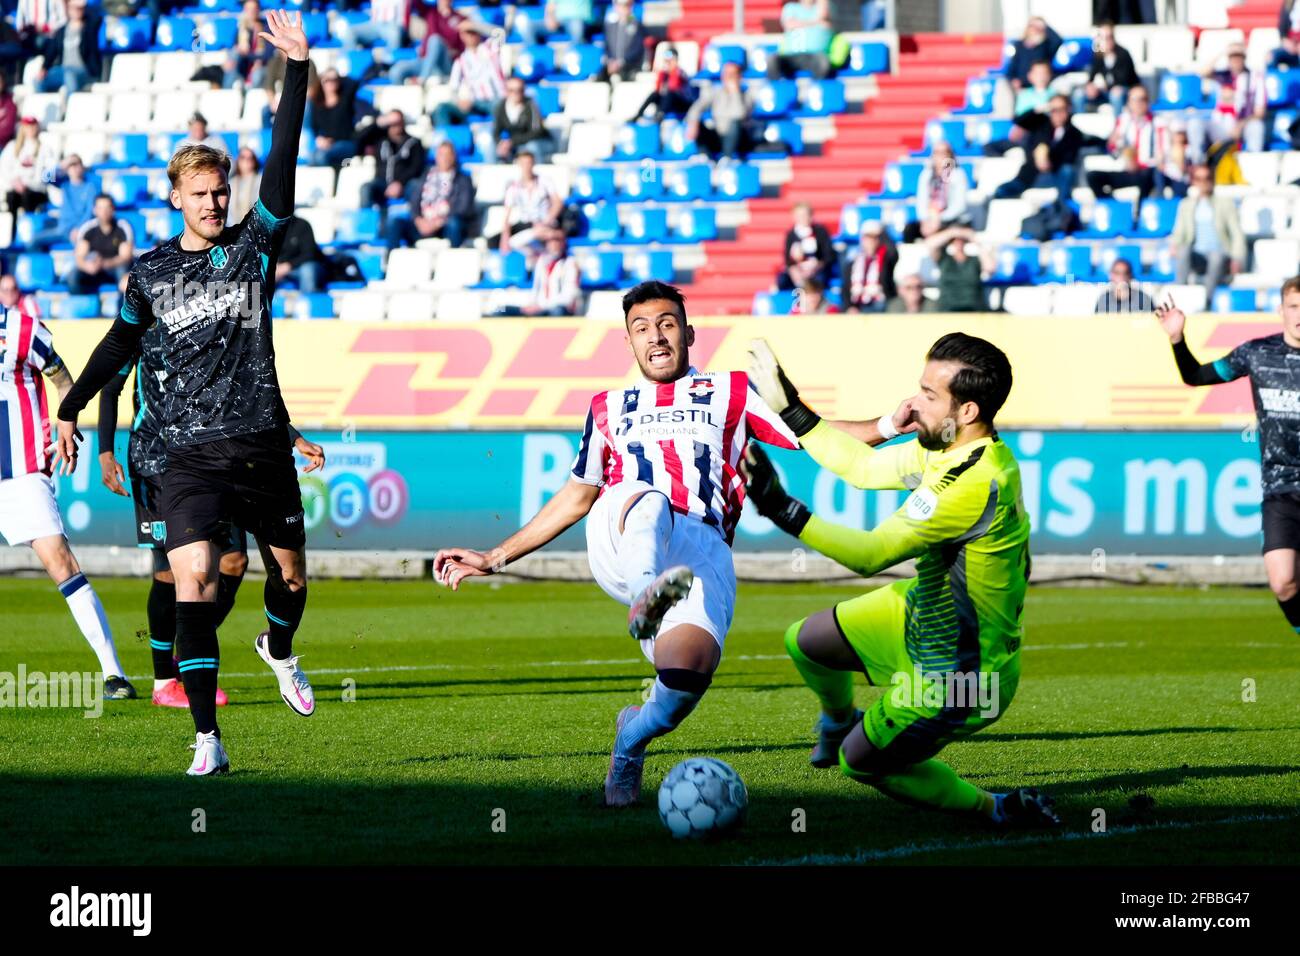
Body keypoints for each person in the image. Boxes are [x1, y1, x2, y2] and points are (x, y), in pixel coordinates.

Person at [53, 9, 316, 778]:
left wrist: (295, 73)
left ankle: (279, 649)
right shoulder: (150, 275)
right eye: (199, 193)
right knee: (194, 580)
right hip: (186, 458)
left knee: (291, 578)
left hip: (261, 445)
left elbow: (283, 163)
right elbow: (117, 348)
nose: (213, 202)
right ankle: (208, 739)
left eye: (220, 190)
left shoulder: (253, 247)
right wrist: (71, 408)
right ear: (175, 198)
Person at [433, 281, 801, 807]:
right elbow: (578, 495)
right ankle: (645, 598)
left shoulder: (732, 392)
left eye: (668, 324)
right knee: (647, 497)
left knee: (684, 683)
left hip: (701, 549)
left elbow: (815, 434)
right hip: (625, 531)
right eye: (642, 328)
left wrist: (890, 425)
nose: (656, 337)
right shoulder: (609, 406)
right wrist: (494, 556)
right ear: (629, 342)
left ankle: (630, 738)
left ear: (689, 333)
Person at [738, 335, 1057, 828]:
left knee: (859, 761)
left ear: (966, 409)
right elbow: (863, 468)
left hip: (965, 672)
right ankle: (839, 719)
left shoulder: (974, 482)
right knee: (806, 642)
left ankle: (997, 809)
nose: (913, 403)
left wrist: (784, 510)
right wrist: (792, 408)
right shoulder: (947, 446)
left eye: (930, 395)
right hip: (922, 613)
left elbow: (870, 555)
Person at [96, 325, 325, 709]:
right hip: (156, 460)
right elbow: (109, 386)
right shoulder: (144, 319)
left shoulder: (212, 322)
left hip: (214, 458)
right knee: (172, 572)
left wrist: (293, 437)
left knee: (234, 562)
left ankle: (190, 653)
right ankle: (165, 680)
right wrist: (105, 451)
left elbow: (239, 398)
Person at [0, 307, 136, 701]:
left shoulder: (22, 328)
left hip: (23, 468)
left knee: (61, 561)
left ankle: (113, 673)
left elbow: (62, 380)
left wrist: (66, 425)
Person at [1156, 279, 1300, 635]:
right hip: (1281, 489)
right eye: (1294, 307)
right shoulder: (1256, 353)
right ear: (1281, 311)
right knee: (1284, 582)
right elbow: (1196, 376)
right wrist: (1177, 339)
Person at [1171, 163, 1244, 299]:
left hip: (1219, 255)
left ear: (1213, 179)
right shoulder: (1186, 205)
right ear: (1194, 181)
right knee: (1184, 250)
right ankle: (1179, 294)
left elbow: (1236, 233)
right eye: (1199, 178)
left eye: (1207, 178)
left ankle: (1208, 301)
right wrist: (1174, 245)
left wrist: (1237, 257)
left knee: (1216, 257)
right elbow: (1179, 232)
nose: (1203, 182)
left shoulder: (1226, 203)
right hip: (1197, 255)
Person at [387, 140, 476, 249]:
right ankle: (390, 259)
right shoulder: (426, 175)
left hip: (444, 225)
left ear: (454, 157)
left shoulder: (463, 180)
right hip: (423, 223)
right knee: (395, 223)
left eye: (448, 155)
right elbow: (414, 200)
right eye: (441, 154)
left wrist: (438, 222)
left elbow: (464, 208)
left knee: (454, 224)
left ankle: (453, 260)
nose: (444, 158)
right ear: (436, 157)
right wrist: (418, 220)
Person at [994, 94, 1084, 199]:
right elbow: (1019, 121)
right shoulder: (1040, 124)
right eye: (1054, 109)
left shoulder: (1074, 133)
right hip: (1030, 175)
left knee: (1067, 170)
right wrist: (1040, 108)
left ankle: (1061, 207)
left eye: (1062, 109)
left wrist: (1047, 161)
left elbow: (1069, 158)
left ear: (1069, 109)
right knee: (1002, 191)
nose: (1058, 113)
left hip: (1054, 175)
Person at [1085, 85, 1164, 198]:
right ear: (1129, 103)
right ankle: (1112, 207)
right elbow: (1113, 151)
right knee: (1093, 176)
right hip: (1127, 170)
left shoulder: (1158, 123)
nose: (1139, 104)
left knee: (1150, 175)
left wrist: (1143, 163)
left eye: (1143, 99)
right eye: (1135, 100)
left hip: (1147, 171)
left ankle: (1140, 210)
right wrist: (1114, 145)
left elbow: (1161, 153)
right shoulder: (1123, 121)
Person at [359, 110, 427, 226]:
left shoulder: (414, 143)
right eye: (392, 122)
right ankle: (367, 229)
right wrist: (379, 122)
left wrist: (400, 183)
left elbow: (417, 168)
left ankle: (413, 225)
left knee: (416, 186)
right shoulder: (380, 141)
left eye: (398, 122)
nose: (395, 126)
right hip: (382, 183)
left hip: (405, 184)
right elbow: (359, 139)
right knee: (366, 188)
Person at [432, 22, 505, 127]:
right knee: (441, 109)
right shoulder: (461, 61)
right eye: (467, 33)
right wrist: (459, 101)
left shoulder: (491, 48)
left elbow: (500, 33)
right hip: (475, 103)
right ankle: (446, 140)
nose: (470, 36)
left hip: (497, 98)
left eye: (473, 33)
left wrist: (476, 25)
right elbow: (453, 88)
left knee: (499, 107)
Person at [1200, 43, 1267, 154]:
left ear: (1244, 58)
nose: (1236, 60)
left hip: (1243, 125)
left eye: (1239, 56)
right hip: (1220, 125)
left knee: (1256, 126)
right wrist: (1222, 53)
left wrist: (1240, 125)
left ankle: (1252, 162)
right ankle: (1199, 165)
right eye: (1232, 56)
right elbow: (1202, 72)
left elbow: (1260, 112)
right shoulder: (1222, 75)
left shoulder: (1255, 78)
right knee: (1195, 124)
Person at [684, 61, 757, 160]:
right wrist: (693, 122)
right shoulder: (716, 93)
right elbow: (697, 107)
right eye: (727, 74)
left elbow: (739, 114)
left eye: (733, 74)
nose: (729, 77)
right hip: (719, 135)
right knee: (700, 125)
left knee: (735, 123)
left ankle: (727, 158)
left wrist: (735, 92)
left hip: (738, 139)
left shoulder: (747, 95)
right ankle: (705, 157)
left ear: (739, 77)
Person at [495, 233, 581, 315]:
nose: (554, 244)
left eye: (557, 240)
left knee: (557, 311)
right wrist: (536, 232)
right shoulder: (541, 260)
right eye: (550, 240)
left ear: (563, 244)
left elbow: (568, 298)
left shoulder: (570, 264)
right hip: (536, 308)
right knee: (501, 309)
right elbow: (513, 243)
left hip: (552, 309)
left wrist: (541, 306)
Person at [496, 149, 563, 255]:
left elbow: (557, 203)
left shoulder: (544, 181)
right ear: (518, 164)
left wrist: (546, 221)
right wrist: (505, 237)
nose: (527, 167)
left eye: (529, 163)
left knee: (553, 247)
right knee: (507, 242)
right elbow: (507, 214)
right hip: (527, 225)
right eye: (524, 163)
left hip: (545, 222)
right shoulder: (513, 187)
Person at [902, 140, 970, 243]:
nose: (940, 156)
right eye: (937, 152)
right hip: (930, 219)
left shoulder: (958, 174)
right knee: (909, 230)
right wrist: (926, 220)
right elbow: (921, 201)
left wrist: (939, 219)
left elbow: (960, 206)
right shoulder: (926, 174)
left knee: (954, 232)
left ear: (950, 154)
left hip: (950, 220)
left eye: (944, 152)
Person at [70, 194, 134, 295]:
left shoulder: (123, 227)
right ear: (95, 210)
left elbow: (125, 256)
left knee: (124, 274)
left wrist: (104, 263)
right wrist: (87, 266)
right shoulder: (88, 228)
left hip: (114, 266)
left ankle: (123, 308)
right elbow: (79, 256)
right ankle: (81, 306)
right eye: (100, 208)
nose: (104, 212)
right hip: (93, 267)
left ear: (113, 209)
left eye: (107, 207)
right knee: (73, 275)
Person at [29, 153, 96, 249]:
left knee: (82, 248)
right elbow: (44, 178)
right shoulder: (64, 184)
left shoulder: (90, 187)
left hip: (80, 232)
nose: (75, 168)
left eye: (77, 164)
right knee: (33, 240)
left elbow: (90, 212)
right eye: (71, 165)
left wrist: (79, 229)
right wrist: (61, 165)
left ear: (82, 167)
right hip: (62, 230)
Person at [391, 0, 466, 84]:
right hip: (425, 61)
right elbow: (416, 3)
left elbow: (464, 47)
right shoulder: (431, 12)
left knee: (435, 40)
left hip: (444, 64)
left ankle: (422, 80)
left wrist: (453, 52)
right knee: (396, 71)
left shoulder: (460, 18)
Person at [36, 0, 99, 95]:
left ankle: (70, 108)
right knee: (39, 81)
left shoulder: (89, 28)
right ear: (68, 9)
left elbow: (96, 19)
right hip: (63, 70)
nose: (77, 11)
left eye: (80, 9)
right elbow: (52, 51)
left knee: (69, 76)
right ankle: (44, 108)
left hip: (83, 70)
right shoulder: (62, 31)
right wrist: (44, 68)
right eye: (74, 8)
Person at [1076, 20, 1138, 114]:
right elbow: (1091, 77)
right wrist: (1091, 87)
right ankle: (1077, 125)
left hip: (1124, 91)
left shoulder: (1123, 54)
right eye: (1103, 37)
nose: (1107, 40)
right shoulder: (1098, 55)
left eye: (1110, 37)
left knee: (1116, 94)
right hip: (1105, 92)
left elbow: (1124, 80)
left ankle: (1118, 125)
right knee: (1079, 94)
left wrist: (1106, 85)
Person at [0, 115, 57, 215]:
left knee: (27, 197)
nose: (30, 130)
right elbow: (3, 168)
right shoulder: (12, 147)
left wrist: (32, 183)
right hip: (15, 188)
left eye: (33, 126)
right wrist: (14, 181)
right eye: (27, 127)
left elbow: (50, 174)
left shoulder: (45, 149)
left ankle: (27, 224)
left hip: (36, 189)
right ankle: (11, 228)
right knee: (12, 197)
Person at [927, 224, 988, 313]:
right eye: (955, 240)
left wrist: (972, 237)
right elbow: (930, 244)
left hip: (972, 308)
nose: (958, 242)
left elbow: (990, 267)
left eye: (962, 240)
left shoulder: (974, 261)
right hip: (948, 308)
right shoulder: (944, 259)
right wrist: (953, 232)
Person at [491, 77, 554, 163]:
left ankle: (533, 174)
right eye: (511, 90)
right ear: (506, 91)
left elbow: (536, 131)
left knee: (531, 147)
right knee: (491, 145)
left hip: (539, 142)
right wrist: (501, 143)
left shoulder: (531, 105)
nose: (516, 93)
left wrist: (512, 142)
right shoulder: (500, 107)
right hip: (515, 144)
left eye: (520, 90)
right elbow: (496, 131)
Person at [307, 68, 360, 168]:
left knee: (322, 156)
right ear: (321, 82)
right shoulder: (317, 103)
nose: (331, 83)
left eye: (334, 80)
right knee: (312, 157)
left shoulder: (345, 99)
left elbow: (354, 83)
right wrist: (320, 139)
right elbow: (314, 127)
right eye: (327, 80)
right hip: (327, 144)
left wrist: (336, 75)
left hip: (346, 142)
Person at [768, 0, 834, 80]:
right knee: (773, 60)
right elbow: (790, 24)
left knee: (823, 62)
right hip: (791, 55)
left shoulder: (821, 8)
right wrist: (816, 23)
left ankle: (817, 90)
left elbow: (824, 16)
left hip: (815, 56)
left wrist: (802, 24)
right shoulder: (791, 7)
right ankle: (777, 90)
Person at [779, 201, 834, 292]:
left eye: (805, 215)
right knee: (783, 280)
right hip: (798, 271)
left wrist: (817, 266)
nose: (803, 218)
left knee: (818, 281)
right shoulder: (791, 235)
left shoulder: (820, 231)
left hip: (817, 270)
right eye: (799, 215)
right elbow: (787, 259)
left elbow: (828, 255)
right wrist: (794, 270)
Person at [632, 45, 696, 121]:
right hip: (669, 102)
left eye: (670, 61)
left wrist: (670, 72)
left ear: (675, 61)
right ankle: (639, 114)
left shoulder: (679, 73)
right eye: (666, 61)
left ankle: (660, 115)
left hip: (683, 103)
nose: (667, 63)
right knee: (654, 94)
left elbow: (673, 87)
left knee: (670, 93)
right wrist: (662, 75)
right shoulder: (664, 74)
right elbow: (659, 90)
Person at [845, 220, 896, 312]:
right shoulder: (854, 261)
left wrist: (881, 232)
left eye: (875, 238)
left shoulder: (885, 259)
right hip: (858, 304)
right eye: (868, 237)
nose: (871, 241)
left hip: (879, 303)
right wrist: (850, 306)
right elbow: (846, 286)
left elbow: (893, 252)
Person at [223, 0, 273, 90]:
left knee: (257, 74)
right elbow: (235, 48)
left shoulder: (266, 27)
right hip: (243, 67)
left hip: (260, 66)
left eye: (254, 9)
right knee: (232, 59)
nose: (251, 12)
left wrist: (248, 55)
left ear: (258, 9)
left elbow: (268, 54)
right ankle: (227, 92)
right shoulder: (241, 28)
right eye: (248, 9)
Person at [1006, 16, 1061, 93]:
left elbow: (1058, 40)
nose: (1035, 30)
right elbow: (1013, 66)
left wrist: (1044, 25)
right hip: (1023, 86)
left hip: (1041, 86)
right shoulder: (1019, 45)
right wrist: (1013, 79)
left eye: (1038, 28)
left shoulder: (1045, 46)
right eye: (1033, 26)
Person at [598, 0, 645, 83]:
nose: (623, 8)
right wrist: (610, 62)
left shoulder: (637, 26)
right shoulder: (610, 27)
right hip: (612, 66)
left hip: (630, 66)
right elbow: (607, 48)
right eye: (620, 5)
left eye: (627, 5)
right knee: (600, 76)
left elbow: (637, 50)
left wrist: (621, 62)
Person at [339, 0, 408, 51]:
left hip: (393, 25)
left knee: (394, 35)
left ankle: (390, 65)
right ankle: (352, 63)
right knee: (349, 31)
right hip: (374, 24)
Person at [517, 0, 594, 45]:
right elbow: (551, 5)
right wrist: (550, 18)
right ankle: (536, 56)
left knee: (576, 25)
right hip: (558, 21)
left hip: (580, 21)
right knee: (525, 25)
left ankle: (577, 57)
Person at [227, 146, 262, 226]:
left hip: (254, 227)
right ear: (238, 160)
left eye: (250, 157)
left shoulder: (260, 181)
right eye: (243, 157)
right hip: (233, 227)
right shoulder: (231, 182)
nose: (247, 160)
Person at [1272, 0, 1300, 70]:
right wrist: (1287, 42)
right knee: (1271, 57)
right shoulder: (1288, 4)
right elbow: (1282, 29)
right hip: (1290, 45)